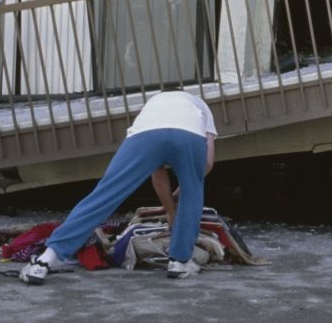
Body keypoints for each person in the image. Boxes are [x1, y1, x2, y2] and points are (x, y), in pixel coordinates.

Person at [18, 89, 217, 284]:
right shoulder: (202, 108)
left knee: (105, 194)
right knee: (193, 194)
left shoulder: (154, 104)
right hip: (189, 136)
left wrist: (169, 209)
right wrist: (181, 194)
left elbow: (157, 172)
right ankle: (180, 262)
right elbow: (207, 163)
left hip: (145, 135)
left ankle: (45, 260)